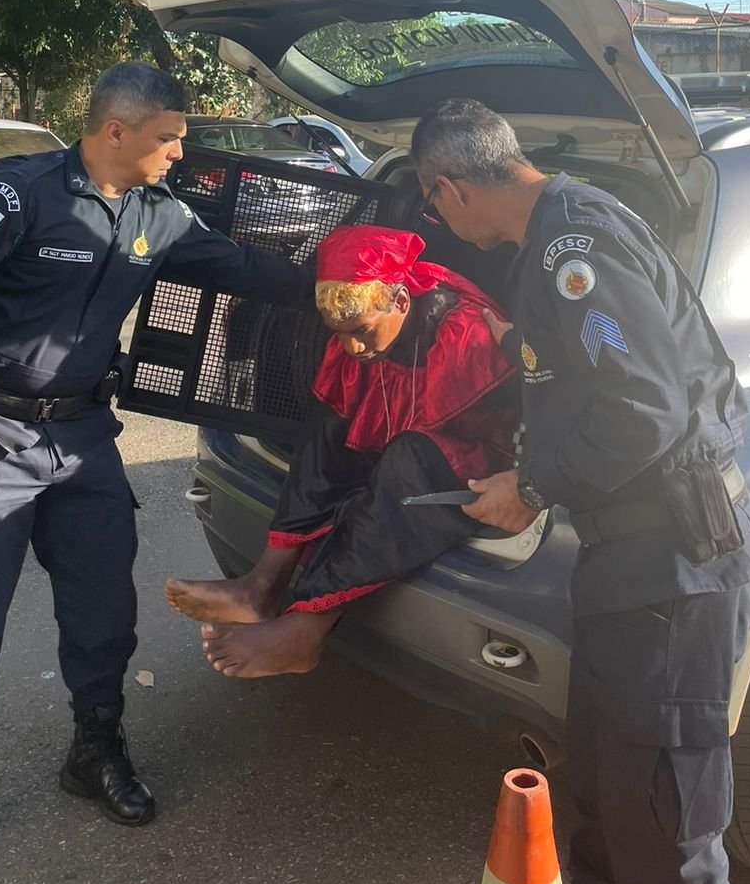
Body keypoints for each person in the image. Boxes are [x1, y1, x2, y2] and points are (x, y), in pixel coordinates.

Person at [0, 62, 308, 884]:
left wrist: (360, 278)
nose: (179, 152)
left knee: (105, 611)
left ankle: (95, 750)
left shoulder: (160, 213)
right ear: (116, 131)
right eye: (168, 137)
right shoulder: (18, 193)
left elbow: (250, 271)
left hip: (83, 439)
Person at [409, 99, 750, 884]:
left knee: (666, 813)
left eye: (430, 205)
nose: (437, 218)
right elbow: (589, 376)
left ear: (449, 188)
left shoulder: (573, 246)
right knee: (608, 785)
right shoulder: (557, 236)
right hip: (627, 564)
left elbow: (644, 407)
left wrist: (532, 486)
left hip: (676, 568)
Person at [165, 224, 519, 678]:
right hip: (403, 432)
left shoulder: (462, 330)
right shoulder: (366, 331)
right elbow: (359, 404)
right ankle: (263, 583)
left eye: (363, 332)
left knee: (408, 456)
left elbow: (460, 426)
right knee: (329, 425)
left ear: (401, 302)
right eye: (341, 333)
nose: (353, 347)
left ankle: (307, 629)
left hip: (476, 456)